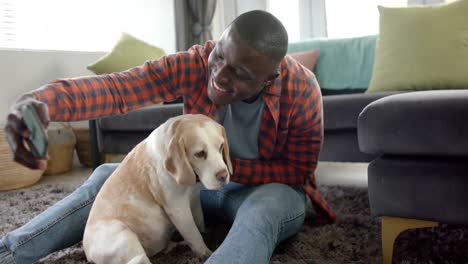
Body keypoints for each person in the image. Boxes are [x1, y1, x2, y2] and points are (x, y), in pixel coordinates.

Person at [1, 10, 335, 264]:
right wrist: (40, 103)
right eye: (219, 55)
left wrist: (226, 172)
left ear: (270, 76)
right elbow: (120, 88)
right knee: (109, 175)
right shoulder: (196, 63)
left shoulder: (302, 90)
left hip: (263, 193)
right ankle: (11, 252)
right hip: (196, 188)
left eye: (239, 73)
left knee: (263, 210)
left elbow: (297, 171)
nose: (218, 74)